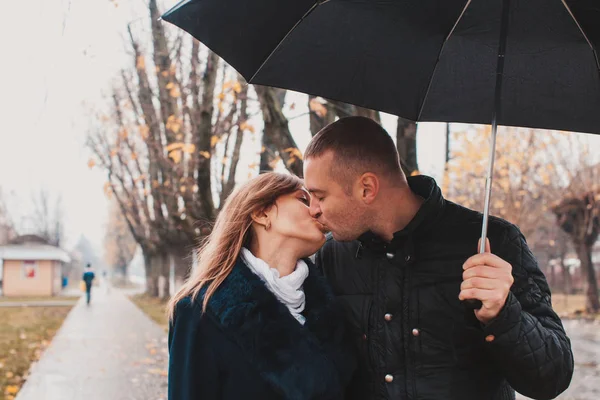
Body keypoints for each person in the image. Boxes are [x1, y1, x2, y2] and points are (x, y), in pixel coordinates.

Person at [303, 116, 574, 400]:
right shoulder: (330, 256)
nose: (313, 210)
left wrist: (503, 313)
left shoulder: (494, 243)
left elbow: (552, 378)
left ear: (366, 188)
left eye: (319, 196)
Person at [167, 172, 356, 400]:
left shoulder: (331, 304)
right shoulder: (200, 310)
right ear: (261, 213)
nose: (318, 210)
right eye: (303, 199)